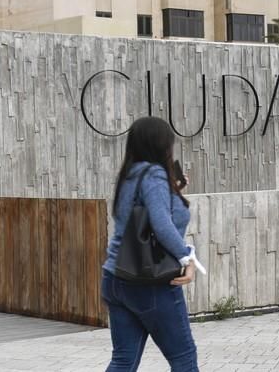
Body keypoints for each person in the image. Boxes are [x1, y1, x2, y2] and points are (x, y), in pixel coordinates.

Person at [101, 116, 205, 371]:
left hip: (115, 278)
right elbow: (161, 224)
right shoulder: (155, 175)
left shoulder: (129, 175)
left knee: (123, 360)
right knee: (184, 358)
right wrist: (187, 258)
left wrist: (174, 189)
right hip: (150, 282)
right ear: (161, 145)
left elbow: (139, 218)